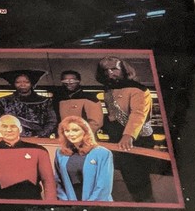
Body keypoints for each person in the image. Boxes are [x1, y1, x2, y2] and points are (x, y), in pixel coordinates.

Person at [96, 56, 155, 202]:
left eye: (114, 69)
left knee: (138, 178)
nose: (110, 73)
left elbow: (138, 114)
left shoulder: (138, 89)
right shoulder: (109, 89)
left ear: (124, 69)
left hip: (138, 138)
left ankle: (147, 204)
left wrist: (128, 135)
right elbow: (112, 115)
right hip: (118, 137)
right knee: (128, 175)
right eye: (106, 70)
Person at [0, 115, 57, 201]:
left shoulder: (39, 150)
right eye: (4, 126)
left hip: (33, 203)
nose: (9, 130)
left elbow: (48, 181)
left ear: (20, 129)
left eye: (13, 126)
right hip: (2, 203)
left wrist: (51, 204)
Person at [54, 116, 114, 202]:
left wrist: (88, 206)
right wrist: (67, 204)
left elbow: (104, 187)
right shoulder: (60, 153)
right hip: (71, 206)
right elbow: (58, 183)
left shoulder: (103, 153)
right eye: (67, 131)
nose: (71, 134)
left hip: (98, 206)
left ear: (85, 131)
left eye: (75, 130)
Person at [0, 69, 57, 138]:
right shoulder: (4, 101)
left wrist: (40, 135)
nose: (22, 84)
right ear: (13, 83)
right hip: (13, 138)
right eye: (18, 82)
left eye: (26, 82)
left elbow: (52, 121)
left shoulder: (45, 101)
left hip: (40, 138)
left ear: (32, 83)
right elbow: (0, 122)